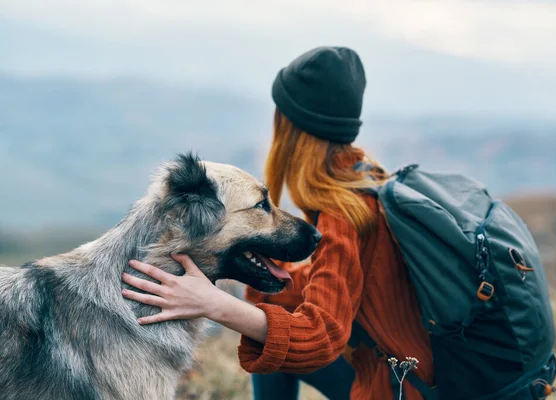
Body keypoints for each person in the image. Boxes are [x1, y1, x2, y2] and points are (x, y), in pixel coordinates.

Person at [122, 46, 434, 399]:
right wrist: (264, 269)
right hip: (415, 371)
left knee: (278, 333)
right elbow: (338, 284)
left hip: (401, 386)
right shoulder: (365, 177)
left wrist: (213, 303)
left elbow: (320, 337)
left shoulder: (344, 212)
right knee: (278, 308)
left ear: (291, 129)